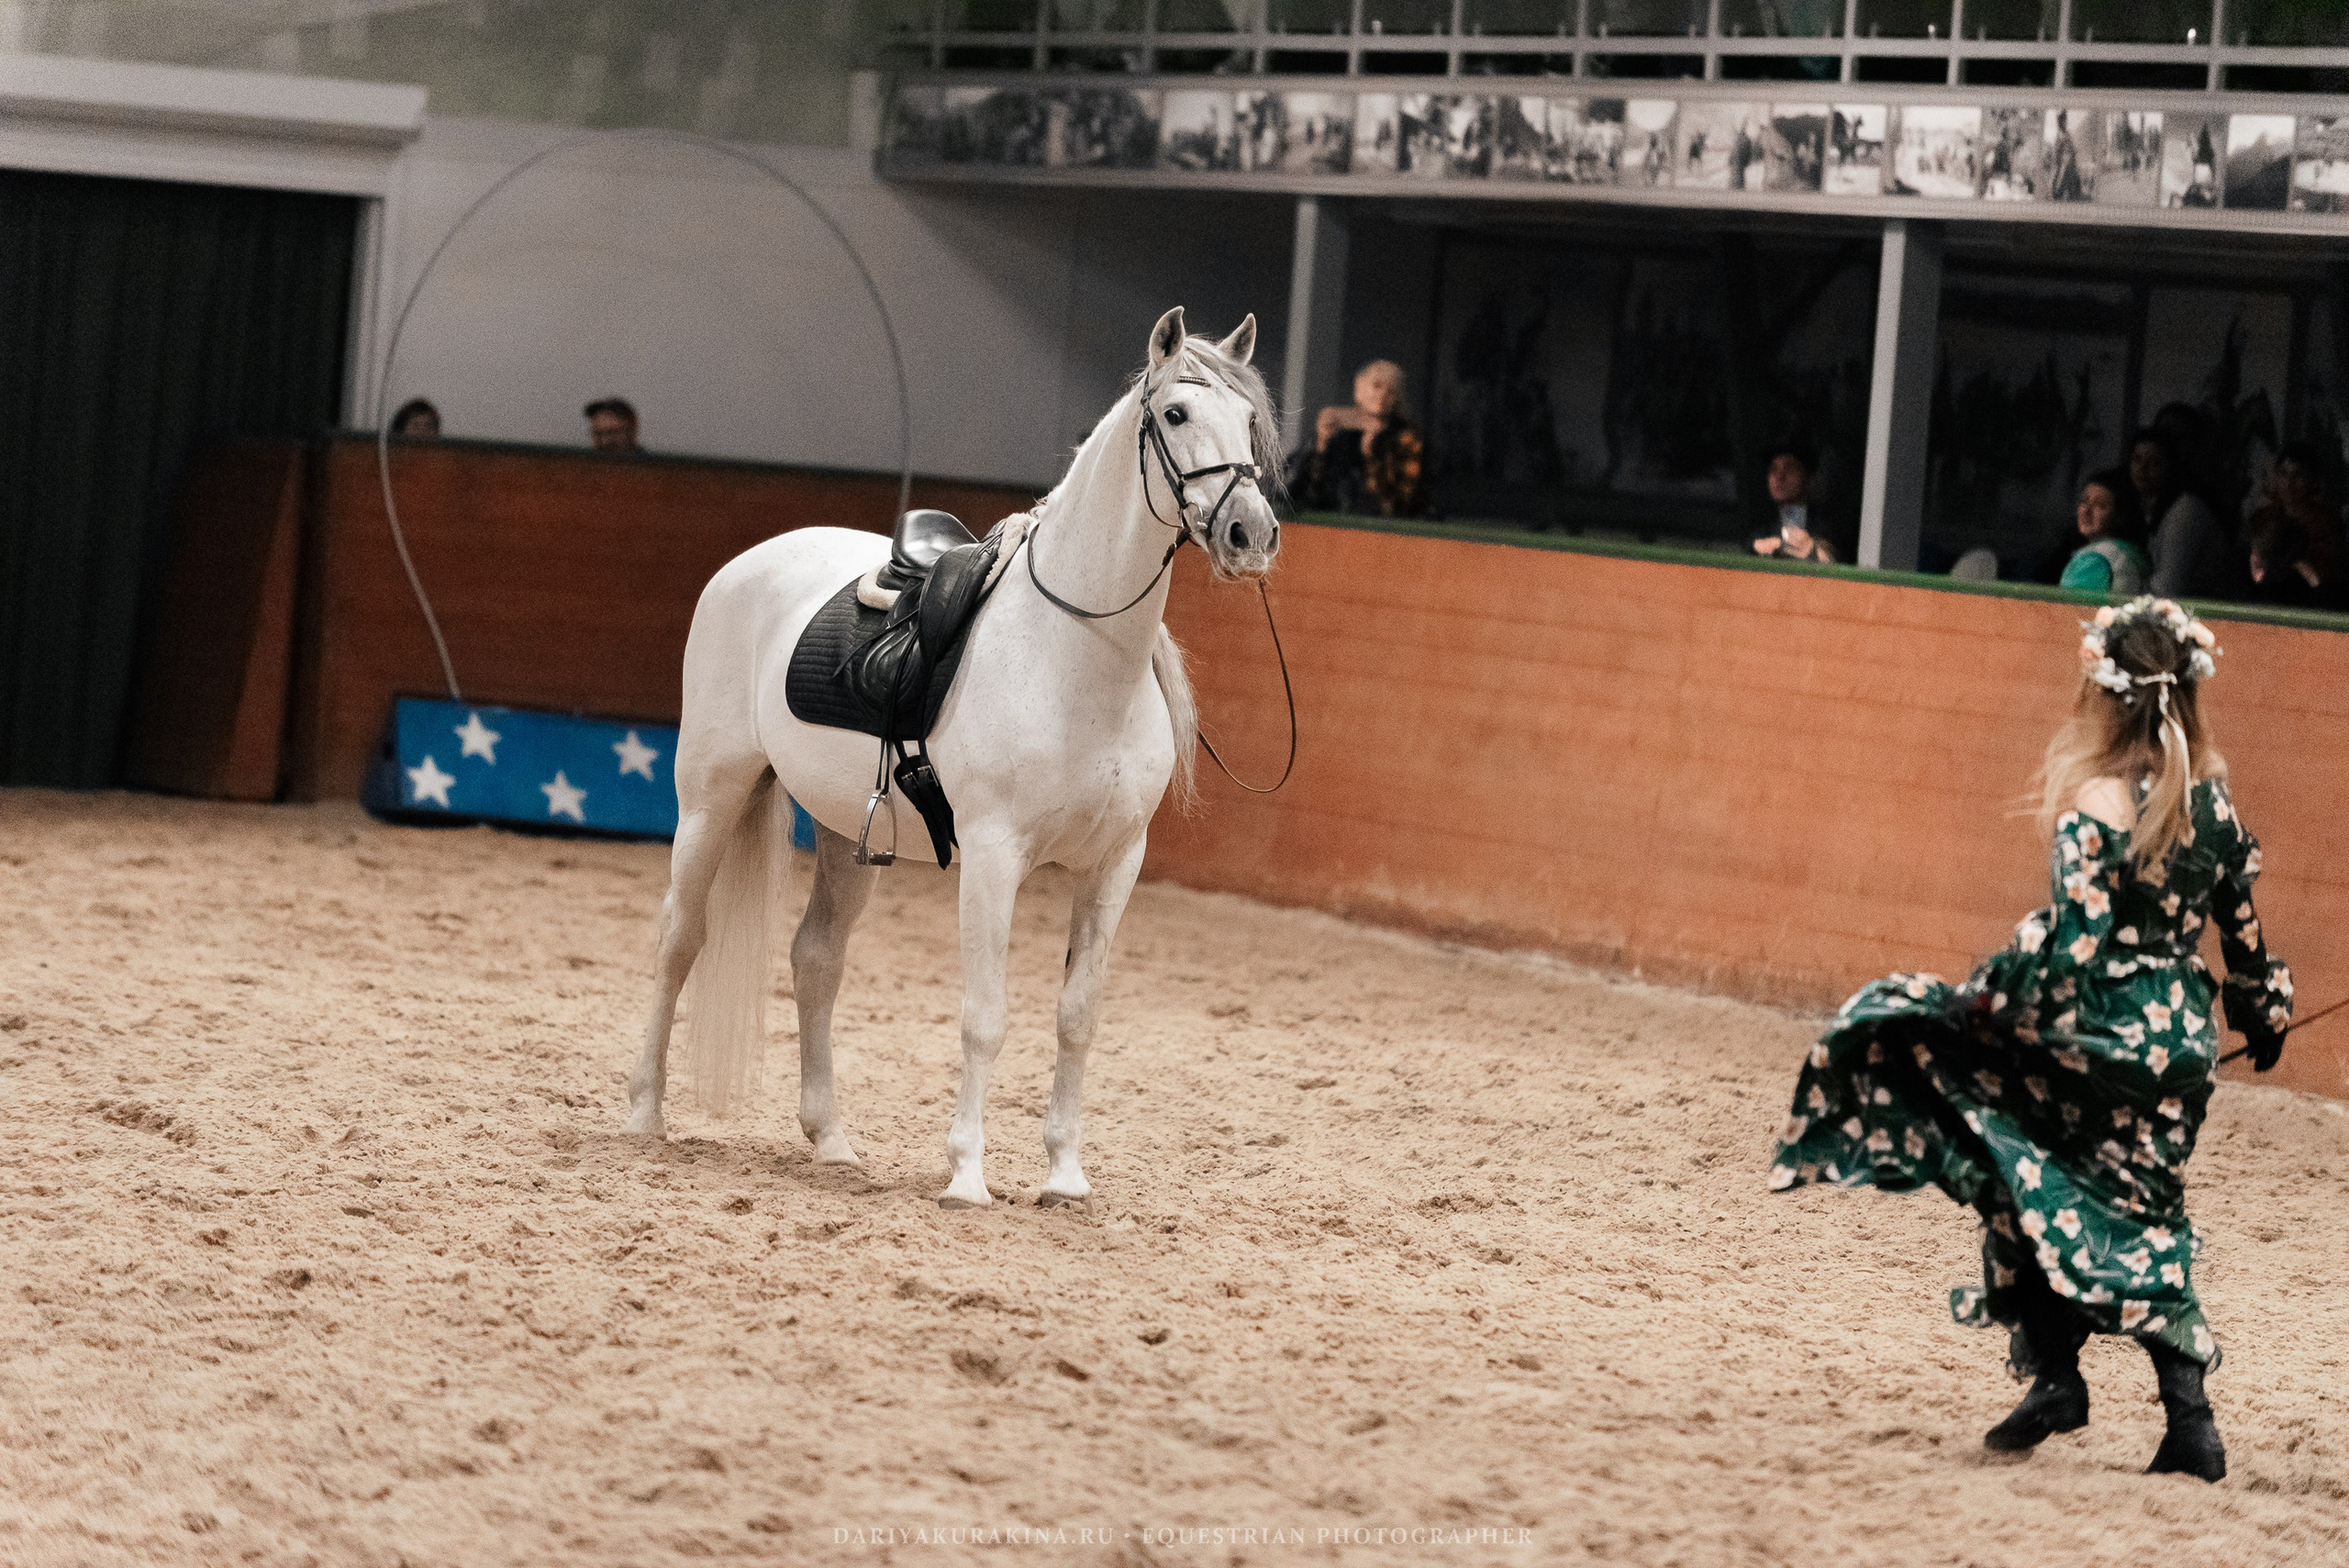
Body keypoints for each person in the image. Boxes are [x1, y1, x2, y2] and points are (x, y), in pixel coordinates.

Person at [1771, 596, 2293, 1483]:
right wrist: (2263, 1018)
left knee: (2022, 1169)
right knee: (2143, 1204)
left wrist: (1987, 1008)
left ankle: (2055, 1370)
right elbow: (2243, 938)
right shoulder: (2216, 802)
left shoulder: (2094, 804)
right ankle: (2184, 1418)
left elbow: (2074, 951)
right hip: (2178, 1043)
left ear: (2102, 692)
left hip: (2096, 1031)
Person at [1286, 360, 1428, 519]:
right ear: (1359, 390)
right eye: (1377, 386)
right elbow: (1298, 494)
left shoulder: (1406, 439)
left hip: (1382, 530)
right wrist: (1320, 444)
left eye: (1391, 391)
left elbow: (1397, 506)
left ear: (1397, 399)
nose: (1382, 395)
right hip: (1329, 525)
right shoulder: (1340, 432)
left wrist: (1370, 454)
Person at [2239, 440, 2343, 609]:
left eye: (2298, 475)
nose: (2289, 482)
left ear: (2311, 480)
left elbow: (2327, 578)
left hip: (2307, 601)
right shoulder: (2263, 518)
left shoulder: (2325, 522)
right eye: (2283, 474)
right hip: (2262, 599)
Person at [2131, 428, 2232, 599]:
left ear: (2170, 466)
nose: (2143, 468)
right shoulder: (2143, 507)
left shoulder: (2186, 512)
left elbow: (2168, 587)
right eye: (2137, 459)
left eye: (2154, 461)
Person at [2058, 468, 2149, 595]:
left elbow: (2069, 611)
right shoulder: (2136, 554)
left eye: (2100, 505)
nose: (2086, 511)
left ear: (2119, 516)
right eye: (2084, 501)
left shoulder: (2093, 559)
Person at [1751, 439, 1834, 563]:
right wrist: (1755, 547)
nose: (1779, 476)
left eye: (1789, 468)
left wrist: (1814, 552)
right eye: (1774, 469)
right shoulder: (1763, 528)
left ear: (1809, 478)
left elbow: (1837, 557)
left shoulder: (1827, 526)